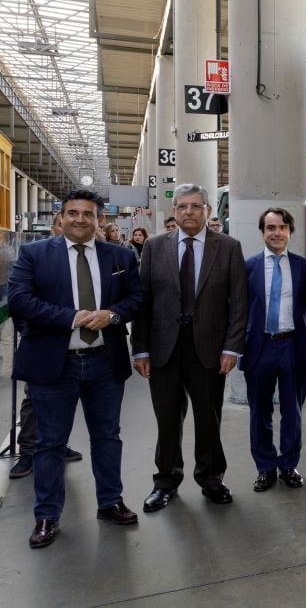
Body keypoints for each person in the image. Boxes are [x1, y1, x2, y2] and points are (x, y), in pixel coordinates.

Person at [8, 189, 145, 548]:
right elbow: (21, 299)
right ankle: (47, 515)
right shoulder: (34, 254)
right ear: (62, 216)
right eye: (73, 213)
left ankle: (110, 501)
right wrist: (71, 318)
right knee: (50, 443)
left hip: (104, 363)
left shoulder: (119, 255)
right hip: (54, 367)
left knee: (107, 437)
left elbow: (137, 298)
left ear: (100, 219)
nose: (80, 219)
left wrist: (112, 315)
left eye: (88, 214)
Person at [131, 184, 248, 512]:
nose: (189, 212)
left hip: (209, 349)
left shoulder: (228, 248)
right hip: (163, 349)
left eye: (196, 206)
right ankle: (166, 480)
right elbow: (144, 302)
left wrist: (232, 348)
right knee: (167, 418)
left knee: (208, 418)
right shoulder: (154, 248)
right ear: (174, 211)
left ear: (208, 210)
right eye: (182, 207)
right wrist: (140, 349)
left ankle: (211, 478)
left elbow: (239, 303)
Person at [241, 207, 306, 491]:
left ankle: (288, 465)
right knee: (259, 411)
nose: (277, 233)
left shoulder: (305, 267)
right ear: (262, 232)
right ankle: (265, 467)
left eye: (282, 227)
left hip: (293, 347)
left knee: (292, 411)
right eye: (270, 228)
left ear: (289, 232)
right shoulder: (248, 268)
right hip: (259, 347)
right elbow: (242, 308)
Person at [9, 218, 85, 481]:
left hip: (78, 350)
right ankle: (27, 451)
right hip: (44, 346)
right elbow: (20, 301)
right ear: (57, 227)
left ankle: (60, 444)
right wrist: (31, 333)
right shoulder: (36, 255)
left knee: (65, 406)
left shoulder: (87, 258)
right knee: (33, 401)